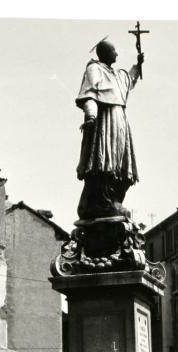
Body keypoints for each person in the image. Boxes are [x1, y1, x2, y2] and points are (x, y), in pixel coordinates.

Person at [75, 39, 144, 219]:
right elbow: (89, 93)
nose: (117, 54)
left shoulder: (116, 73)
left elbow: (128, 79)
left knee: (121, 164)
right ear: (104, 52)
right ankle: (104, 203)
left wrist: (137, 65)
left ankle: (115, 200)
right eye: (114, 50)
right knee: (104, 163)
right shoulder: (94, 69)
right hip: (104, 121)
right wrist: (91, 116)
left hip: (120, 121)